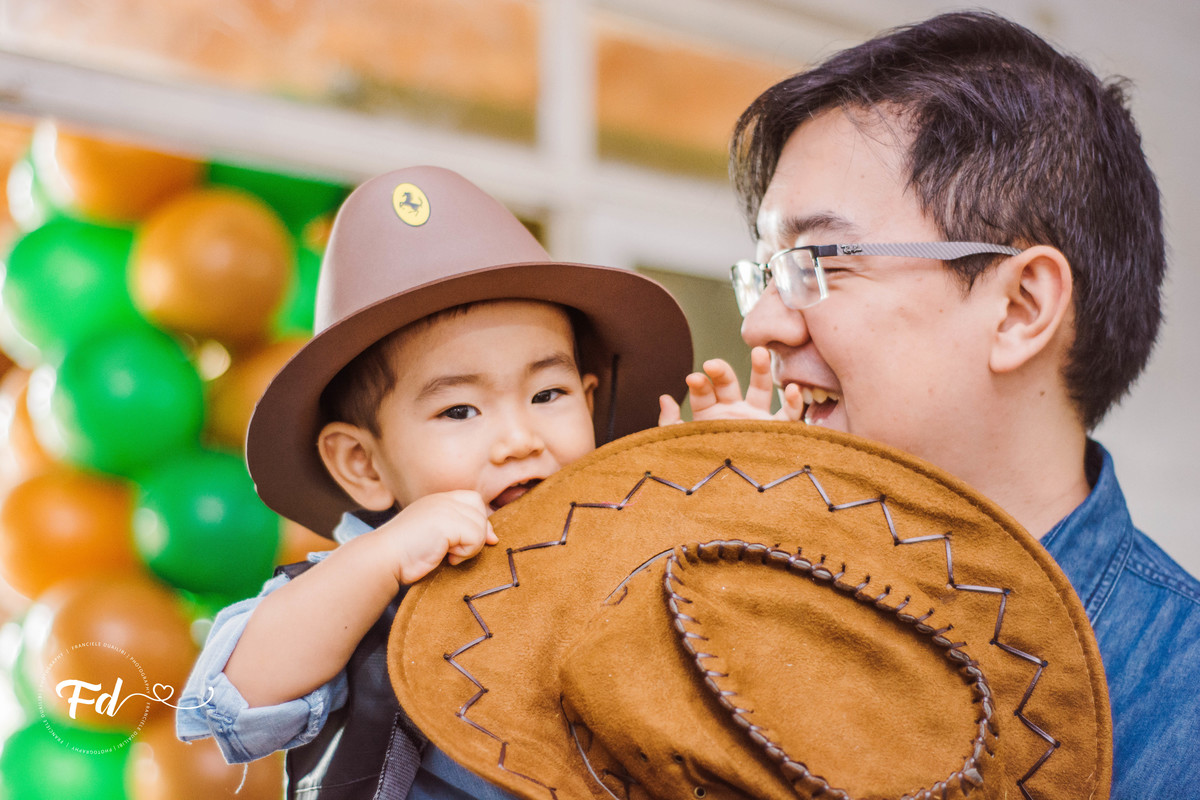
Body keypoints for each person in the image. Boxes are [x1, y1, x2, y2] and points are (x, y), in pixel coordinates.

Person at [659, 11, 1199, 798]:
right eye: (767, 273)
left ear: (1020, 308)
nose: (761, 325)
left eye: (818, 264)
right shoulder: (719, 608)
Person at [176, 166, 692, 799]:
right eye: (459, 410)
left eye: (547, 394)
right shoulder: (365, 594)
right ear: (363, 464)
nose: (520, 438)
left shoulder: (628, 559)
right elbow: (235, 700)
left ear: (589, 403)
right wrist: (381, 560)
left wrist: (731, 504)